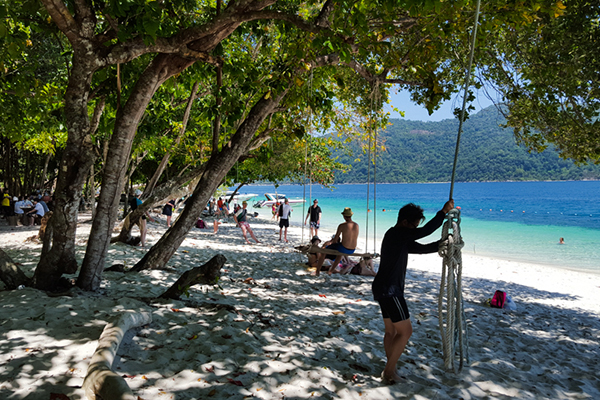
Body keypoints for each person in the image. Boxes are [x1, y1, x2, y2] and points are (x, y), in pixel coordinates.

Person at [372, 199, 454, 384]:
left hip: (382, 287)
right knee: (406, 331)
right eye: (413, 226)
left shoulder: (396, 236)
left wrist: (443, 244)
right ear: (404, 222)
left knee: (391, 331)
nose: (415, 230)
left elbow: (421, 248)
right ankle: (389, 372)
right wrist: (443, 212)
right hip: (391, 290)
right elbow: (425, 231)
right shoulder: (398, 233)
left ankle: (391, 366)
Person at [314, 207, 359, 276]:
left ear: (344, 216)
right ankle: (330, 271)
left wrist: (331, 244)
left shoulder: (342, 225)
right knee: (339, 254)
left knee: (324, 252)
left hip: (344, 248)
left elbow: (336, 239)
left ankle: (317, 271)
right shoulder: (356, 225)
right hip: (352, 249)